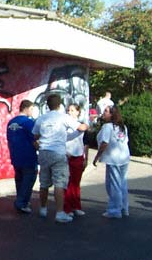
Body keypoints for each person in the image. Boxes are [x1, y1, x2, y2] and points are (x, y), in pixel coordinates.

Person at [32, 94, 88, 223]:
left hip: (44, 152)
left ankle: (43, 208)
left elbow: (35, 136)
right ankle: (59, 212)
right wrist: (86, 126)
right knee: (59, 183)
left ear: (48, 105)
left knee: (44, 183)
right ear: (59, 105)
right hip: (58, 152)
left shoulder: (41, 118)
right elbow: (80, 127)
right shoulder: (63, 117)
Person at [93, 105, 130, 218]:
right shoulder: (122, 127)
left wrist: (97, 156)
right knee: (122, 183)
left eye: (106, 111)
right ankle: (124, 207)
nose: (103, 113)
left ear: (112, 114)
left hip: (113, 158)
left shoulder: (107, 127)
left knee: (113, 185)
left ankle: (114, 210)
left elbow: (105, 143)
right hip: (123, 157)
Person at [7, 100, 38, 214]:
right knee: (28, 179)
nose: (32, 111)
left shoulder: (11, 122)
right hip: (28, 155)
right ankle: (22, 203)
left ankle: (21, 200)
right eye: (32, 109)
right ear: (27, 108)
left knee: (19, 179)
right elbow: (34, 139)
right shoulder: (28, 122)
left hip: (15, 155)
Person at [63, 104, 88, 217]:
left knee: (76, 183)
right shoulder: (64, 125)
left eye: (72, 110)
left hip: (78, 156)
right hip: (67, 156)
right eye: (68, 110)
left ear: (78, 112)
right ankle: (67, 208)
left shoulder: (81, 125)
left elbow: (86, 143)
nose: (70, 112)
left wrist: (85, 158)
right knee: (67, 183)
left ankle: (76, 206)